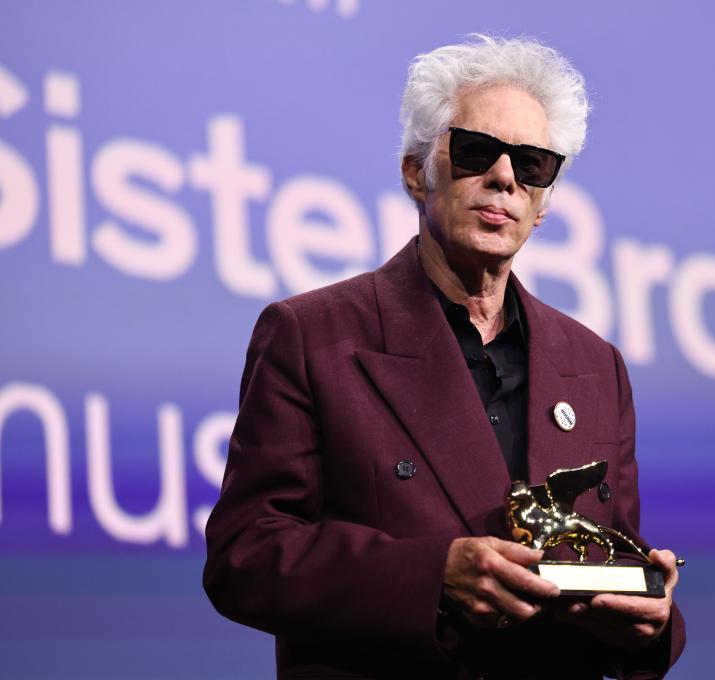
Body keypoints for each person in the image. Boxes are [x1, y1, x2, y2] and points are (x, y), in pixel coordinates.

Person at [203, 34, 685, 679]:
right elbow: (245, 556)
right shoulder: (312, 336)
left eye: (532, 164)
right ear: (415, 172)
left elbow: (611, 559)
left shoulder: (597, 366)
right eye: (476, 151)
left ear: (543, 203)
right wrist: (432, 577)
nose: (505, 178)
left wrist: (650, 619)